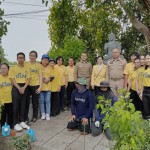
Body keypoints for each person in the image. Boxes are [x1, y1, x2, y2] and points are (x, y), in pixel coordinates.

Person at [9, 52, 30, 131]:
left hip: (24, 87)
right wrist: (19, 88)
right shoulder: (13, 68)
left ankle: (21, 121)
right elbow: (12, 79)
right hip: (16, 87)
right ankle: (15, 123)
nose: (21, 59)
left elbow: (28, 79)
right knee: (15, 106)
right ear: (17, 59)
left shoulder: (27, 68)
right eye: (19, 57)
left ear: (24, 59)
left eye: (22, 57)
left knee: (23, 105)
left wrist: (24, 88)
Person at [25, 51, 42, 122]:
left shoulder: (38, 65)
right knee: (26, 102)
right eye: (31, 55)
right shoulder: (26, 64)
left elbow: (40, 76)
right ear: (29, 56)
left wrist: (40, 87)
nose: (32, 57)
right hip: (27, 85)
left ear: (36, 57)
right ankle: (26, 117)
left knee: (35, 102)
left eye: (33, 56)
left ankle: (35, 116)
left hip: (35, 85)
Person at [0, 63, 13, 129]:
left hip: (11, 100)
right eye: (2, 68)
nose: (3, 70)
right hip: (2, 102)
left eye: (5, 68)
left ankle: (10, 128)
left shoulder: (11, 78)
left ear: (8, 69)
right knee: (3, 116)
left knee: (10, 115)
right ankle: (3, 128)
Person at [40, 54, 51, 120]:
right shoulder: (39, 66)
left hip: (48, 87)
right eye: (44, 60)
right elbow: (38, 75)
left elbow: (52, 76)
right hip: (41, 87)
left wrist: (48, 80)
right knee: (41, 101)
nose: (45, 61)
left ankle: (48, 114)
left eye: (47, 60)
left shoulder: (49, 67)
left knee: (47, 101)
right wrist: (44, 80)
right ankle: (43, 114)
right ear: (42, 60)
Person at [140, 53, 150, 120]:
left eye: (148, 58)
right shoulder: (145, 69)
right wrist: (141, 93)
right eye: (146, 59)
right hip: (145, 90)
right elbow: (143, 83)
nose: (147, 60)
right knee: (146, 108)